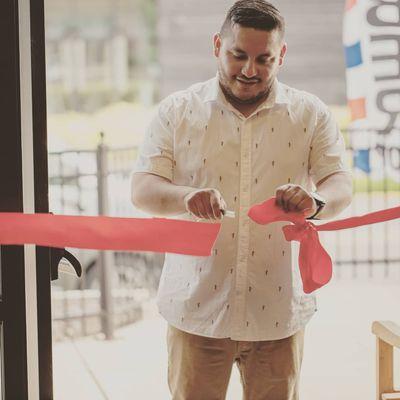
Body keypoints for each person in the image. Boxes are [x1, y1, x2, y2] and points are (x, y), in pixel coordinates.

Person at [131, 1, 353, 399]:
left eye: (263, 59)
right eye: (238, 55)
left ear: (281, 55)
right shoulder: (177, 112)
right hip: (196, 311)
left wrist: (316, 201)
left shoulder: (311, 114)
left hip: (278, 315)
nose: (250, 70)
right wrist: (186, 197)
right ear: (217, 45)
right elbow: (142, 189)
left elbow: (340, 183)